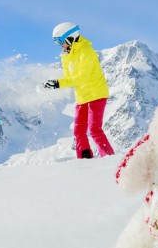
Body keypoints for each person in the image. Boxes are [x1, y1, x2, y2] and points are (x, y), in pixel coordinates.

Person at [43, 22, 115, 159]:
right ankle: (85, 159)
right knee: (78, 131)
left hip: (96, 94)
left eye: (60, 41)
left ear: (70, 37)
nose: (60, 45)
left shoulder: (86, 52)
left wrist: (58, 83)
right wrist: (55, 83)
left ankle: (109, 158)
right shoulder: (66, 56)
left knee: (94, 130)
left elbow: (82, 77)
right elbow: (69, 78)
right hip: (82, 96)